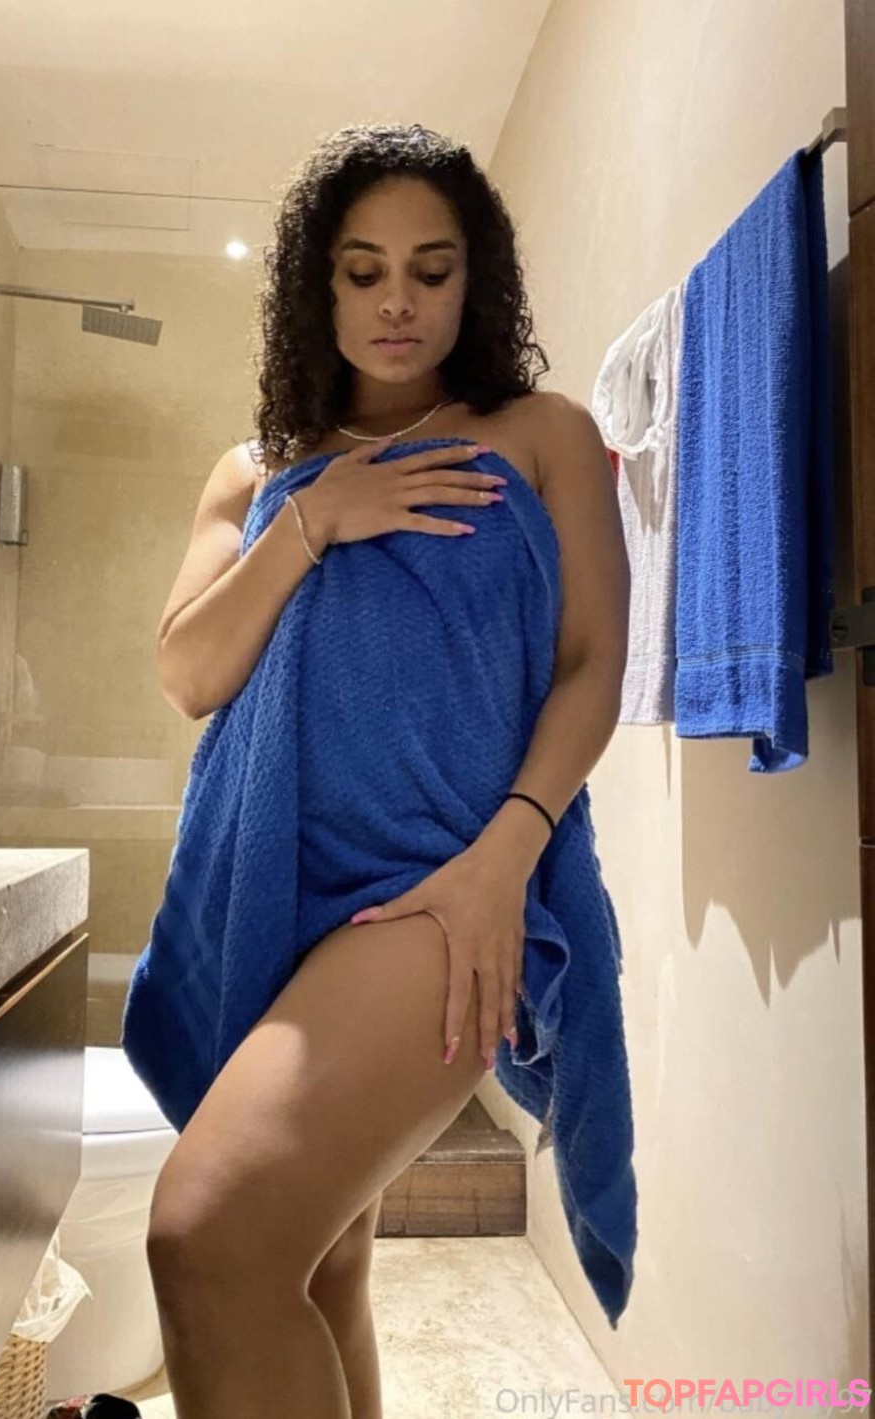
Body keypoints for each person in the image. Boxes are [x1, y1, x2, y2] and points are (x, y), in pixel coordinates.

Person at [123, 122, 633, 1417]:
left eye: (431, 269)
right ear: (321, 286)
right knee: (317, 1263)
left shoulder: (542, 433)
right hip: (261, 885)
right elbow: (190, 671)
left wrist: (507, 857)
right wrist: (313, 519)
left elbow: (591, 667)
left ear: (475, 283)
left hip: (437, 887)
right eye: (363, 272)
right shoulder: (253, 473)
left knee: (206, 1239)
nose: (397, 301)